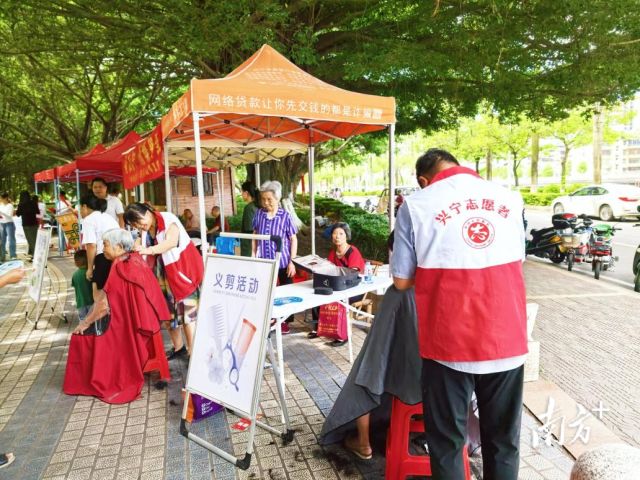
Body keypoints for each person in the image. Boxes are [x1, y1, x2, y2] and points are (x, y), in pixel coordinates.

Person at [392, 148, 527, 479]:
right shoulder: (510, 199)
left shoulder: (416, 205)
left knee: (448, 444)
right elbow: (517, 260)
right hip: (506, 338)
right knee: (503, 442)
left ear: (424, 180)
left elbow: (401, 280)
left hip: (448, 343)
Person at [63, 229, 171, 404]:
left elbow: (104, 306)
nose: (102, 249)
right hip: (144, 317)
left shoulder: (121, 266)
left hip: (131, 322)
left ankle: (96, 377)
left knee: (82, 336)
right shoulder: (134, 259)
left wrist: (85, 323)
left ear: (119, 247)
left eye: (105, 245)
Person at [124, 202, 203, 360]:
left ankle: (193, 354)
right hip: (161, 274)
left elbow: (171, 242)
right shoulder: (145, 229)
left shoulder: (167, 219)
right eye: (135, 225)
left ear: (147, 212)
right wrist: (133, 248)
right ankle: (179, 347)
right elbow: (140, 242)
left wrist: (149, 250)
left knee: (187, 314)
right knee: (167, 312)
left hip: (181, 271)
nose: (139, 226)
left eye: (139, 221)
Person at [308, 222, 365, 346]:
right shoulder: (333, 253)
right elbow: (328, 270)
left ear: (346, 236)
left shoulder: (352, 252)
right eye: (334, 233)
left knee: (338, 299)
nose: (337, 236)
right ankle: (317, 328)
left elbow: (351, 275)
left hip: (354, 288)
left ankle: (342, 335)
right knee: (318, 294)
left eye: (341, 233)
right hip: (337, 286)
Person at [252, 181, 298, 334]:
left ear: (278, 199)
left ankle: (285, 322)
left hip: (283, 261)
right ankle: (269, 318)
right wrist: (253, 255)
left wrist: (292, 262)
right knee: (266, 291)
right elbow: (254, 236)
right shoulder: (259, 214)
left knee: (286, 292)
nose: (265, 203)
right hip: (265, 261)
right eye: (263, 199)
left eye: (269, 199)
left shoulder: (285, 216)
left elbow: (293, 240)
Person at [80, 194, 119, 299]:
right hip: (118, 256)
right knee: (113, 293)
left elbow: (91, 245)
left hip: (104, 257)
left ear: (84, 206)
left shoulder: (89, 220)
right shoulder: (108, 217)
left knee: (99, 296)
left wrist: (89, 269)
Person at [72, 250, 93, 322]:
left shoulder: (75, 275)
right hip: (92, 301)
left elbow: (74, 286)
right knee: (92, 319)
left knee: (82, 320)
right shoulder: (91, 273)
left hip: (80, 302)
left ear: (76, 263)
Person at [16, 191, 39, 259]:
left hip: (26, 224)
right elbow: (37, 212)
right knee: (35, 239)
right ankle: (33, 253)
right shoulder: (34, 203)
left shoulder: (21, 205)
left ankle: (35, 255)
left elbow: (18, 214)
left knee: (30, 240)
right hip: (34, 223)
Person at [240, 182, 260, 257]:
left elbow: (249, 229)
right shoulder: (256, 205)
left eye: (242, 191)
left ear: (246, 192)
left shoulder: (248, 208)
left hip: (249, 245)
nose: (241, 194)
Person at [0, 193, 17, 263]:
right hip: (1, 224)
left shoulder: (10, 206)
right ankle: (2, 256)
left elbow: (10, 216)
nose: (0, 199)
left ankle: (13, 255)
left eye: (1, 198)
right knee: (2, 241)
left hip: (9, 224)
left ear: (5, 198)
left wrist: (1, 213)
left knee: (11, 240)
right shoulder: (0, 206)